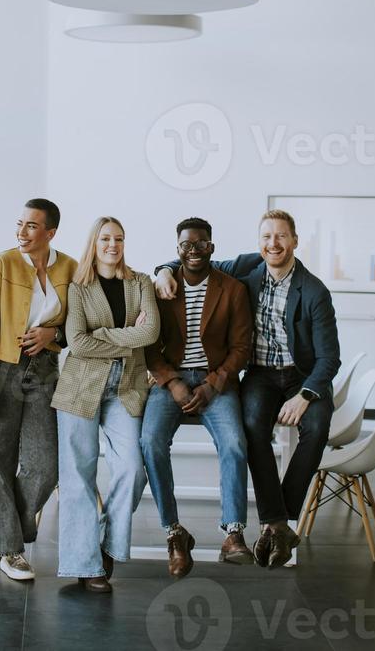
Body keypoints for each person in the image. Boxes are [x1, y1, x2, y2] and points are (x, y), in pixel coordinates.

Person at [154, 209, 340, 568]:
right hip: (261, 375)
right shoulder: (247, 269)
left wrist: (305, 396)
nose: (274, 243)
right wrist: (163, 271)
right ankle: (276, 525)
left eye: (282, 236)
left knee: (316, 428)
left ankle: (277, 521)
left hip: (303, 377)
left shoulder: (315, 290)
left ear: (295, 241)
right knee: (252, 425)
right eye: (267, 236)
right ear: (260, 242)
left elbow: (329, 358)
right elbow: (191, 257)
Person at [51, 217, 160, 592]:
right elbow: (76, 343)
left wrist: (103, 335)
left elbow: (151, 331)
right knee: (78, 476)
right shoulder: (78, 287)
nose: (113, 245)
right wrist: (130, 339)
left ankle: (108, 545)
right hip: (80, 387)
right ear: (93, 243)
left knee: (132, 467)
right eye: (105, 239)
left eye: (119, 238)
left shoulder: (140, 282)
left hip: (126, 387)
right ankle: (86, 564)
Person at [141, 218, 253, 578]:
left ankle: (233, 534)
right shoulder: (161, 289)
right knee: (150, 441)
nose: (194, 251)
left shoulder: (232, 289)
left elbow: (241, 348)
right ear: (177, 250)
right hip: (170, 379)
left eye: (201, 244)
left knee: (235, 443)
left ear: (212, 248)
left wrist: (214, 383)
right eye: (187, 245)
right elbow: (148, 344)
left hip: (214, 381)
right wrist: (171, 382)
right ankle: (174, 533)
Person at [0, 198, 77, 581]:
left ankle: (9, 531)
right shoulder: (1, 264)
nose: (21, 232)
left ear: (50, 232)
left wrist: (55, 333)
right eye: (19, 223)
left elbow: (78, 322)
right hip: (2, 368)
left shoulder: (68, 267)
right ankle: (9, 550)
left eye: (32, 226)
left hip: (46, 369)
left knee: (45, 464)